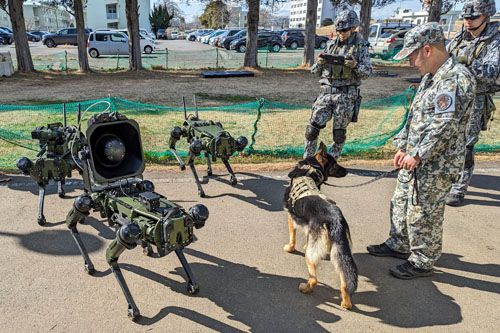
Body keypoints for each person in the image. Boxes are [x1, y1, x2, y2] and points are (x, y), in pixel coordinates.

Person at [367, 23, 477, 279]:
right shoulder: (431, 77)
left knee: (423, 211)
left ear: (427, 50)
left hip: (437, 163)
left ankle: (423, 260)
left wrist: (417, 154)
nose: (411, 63)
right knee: (402, 202)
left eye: (413, 56)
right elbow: (415, 116)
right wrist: (403, 146)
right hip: (414, 158)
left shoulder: (455, 78)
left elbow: (444, 125)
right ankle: (399, 244)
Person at [445, 0, 500, 206]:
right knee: (448, 140)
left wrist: (461, 63)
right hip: (452, 96)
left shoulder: (495, 40)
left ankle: (459, 188)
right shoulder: (460, 38)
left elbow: (491, 72)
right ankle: (446, 181)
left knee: (466, 144)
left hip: (475, 99)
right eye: (465, 18)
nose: (467, 21)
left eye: (473, 17)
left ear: (486, 16)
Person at [304, 9, 372, 159]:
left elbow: (367, 73)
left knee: (339, 134)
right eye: (339, 30)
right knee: (312, 129)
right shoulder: (330, 45)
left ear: (353, 28)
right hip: (326, 93)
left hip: (346, 95)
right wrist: (319, 63)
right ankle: (308, 160)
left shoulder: (361, 46)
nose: (341, 33)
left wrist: (354, 65)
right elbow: (314, 72)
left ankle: (331, 161)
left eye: (345, 30)